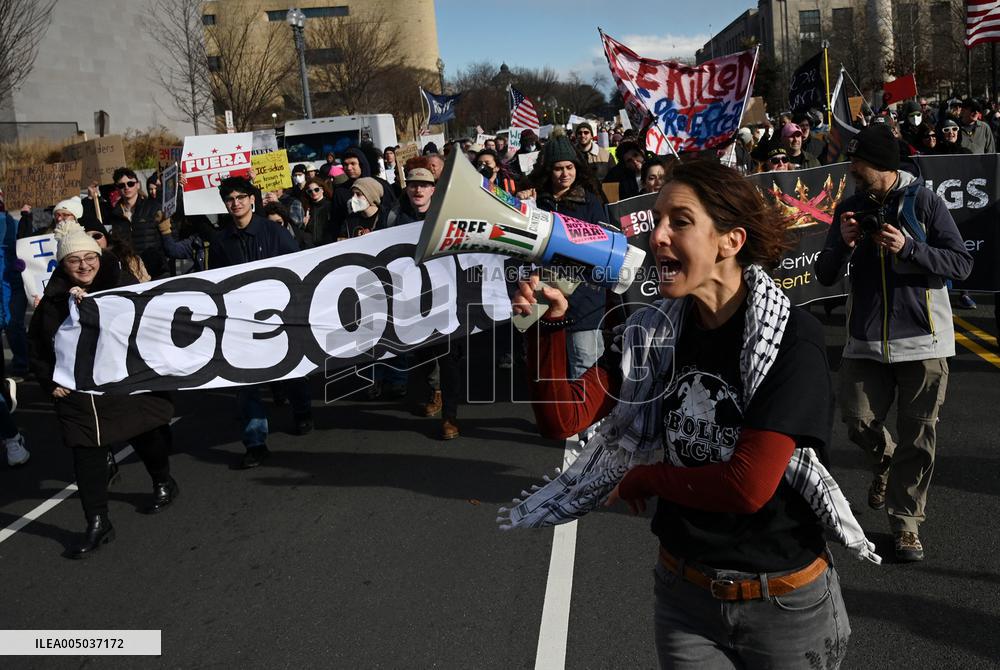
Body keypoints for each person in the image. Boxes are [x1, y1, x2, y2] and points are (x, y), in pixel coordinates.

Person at [513, 159, 864, 668]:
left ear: (730, 241)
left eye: (679, 221)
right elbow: (564, 420)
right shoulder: (650, 332)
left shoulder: (791, 338)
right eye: (657, 220)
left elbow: (748, 486)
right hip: (686, 597)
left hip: (783, 603)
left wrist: (644, 478)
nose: (657, 237)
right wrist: (549, 329)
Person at [815, 125, 973, 562]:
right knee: (856, 419)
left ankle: (906, 525)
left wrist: (909, 247)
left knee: (918, 438)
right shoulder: (848, 208)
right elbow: (825, 273)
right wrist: (843, 247)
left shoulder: (924, 201)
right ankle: (885, 461)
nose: (850, 170)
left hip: (924, 340)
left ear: (880, 165)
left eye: (856, 163)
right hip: (864, 342)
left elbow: (961, 263)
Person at [28, 220, 177, 557]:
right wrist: (49, 380)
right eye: (74, 260)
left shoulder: (122, 284)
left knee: (146, 436)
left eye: (89, 257)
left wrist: (93, 306)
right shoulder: (53, 300)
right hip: (80, 395)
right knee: (86, 454)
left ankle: (163, 480)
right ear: (63, 265)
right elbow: (37, 347)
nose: (84, 265)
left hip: (123, 384)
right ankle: (97, 522)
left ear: (99, 255)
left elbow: (146, 328)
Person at [208, 177, 312, 468]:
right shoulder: (220, 241)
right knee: (246, 383)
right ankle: (255, 442)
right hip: (241, 323)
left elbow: (297, 266)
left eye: (241, 197)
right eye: (230, 199)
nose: (236, 203)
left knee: (289, 371)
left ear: (252, 200)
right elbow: (214, 283)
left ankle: (303, 411)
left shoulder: (273, 231)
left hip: (279, 316)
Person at [529, 131, 610, 377]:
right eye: (558, 168)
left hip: (584, 301)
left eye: (569, 167)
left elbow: (603, 249)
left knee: (586, 366)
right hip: (545, 297)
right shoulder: (536, 203)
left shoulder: (591, 203)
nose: (565, 174)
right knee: (551, 369)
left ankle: (590, 417)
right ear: (548, 171)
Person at [107, 167, 168, 278]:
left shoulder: (153, 207)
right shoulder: (114, 214)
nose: (126, 187)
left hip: (156, 269)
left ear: (138, 184)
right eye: (121, 185)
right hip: (130, 272)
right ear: (117, 188)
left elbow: (168, 239)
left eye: (130, 183)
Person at [301, 177, 333, 246]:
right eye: (310, 191)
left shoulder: (330, 205)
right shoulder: (306, 208)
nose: (313, 192)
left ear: (322, 190)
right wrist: (303, 225)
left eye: (316, 189)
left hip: (329, 245)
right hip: (311, 247)